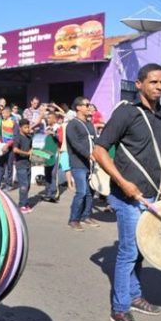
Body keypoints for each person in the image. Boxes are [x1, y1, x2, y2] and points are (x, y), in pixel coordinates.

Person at [93, 63, 161, 321]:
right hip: (126, 196)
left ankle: (135, 296)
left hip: (150, 195)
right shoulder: (126, 112)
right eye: (153, 82)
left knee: (142, 249)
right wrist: (123, 182)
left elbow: (156, 156)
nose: (159, 87)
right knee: (128, 252)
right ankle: (120, 309)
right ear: (139, 84)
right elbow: (99, 151)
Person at [66, 96, 99, 231]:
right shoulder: (72, 124)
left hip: (90, 164)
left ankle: (86, 216)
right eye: (86, 105)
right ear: (78, 107)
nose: (89, 107)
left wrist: (97, 155)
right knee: (81, 192)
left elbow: (94, 142)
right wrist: (89, 155)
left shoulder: (89, 124)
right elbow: (75, 144)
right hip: (78, 164)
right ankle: (73, 219)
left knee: (90, 192)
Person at [0, 106, 18, 190]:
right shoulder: (2, 122)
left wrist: (8, 145)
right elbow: (0, 135)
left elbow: (15, 137)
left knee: (9, 166)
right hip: (2, 147)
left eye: (4, 113)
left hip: (10, 148)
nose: (3, 114)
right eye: (2, 113)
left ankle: (9, 184)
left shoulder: (13, 122)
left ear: (9, 113)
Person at [13, 118, 33, 214]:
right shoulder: (17, 137)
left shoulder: (29, 137)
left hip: (28, 164)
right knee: (23, 185)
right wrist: (27, 153)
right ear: (20, 128)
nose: (27, 129)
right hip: (20, 165)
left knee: (28, 185)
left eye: (28, 127)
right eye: (25, 127)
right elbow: (15, 150)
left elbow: (31, 149)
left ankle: (25, 203)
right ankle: (21, 205)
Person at [42, 112, 61, 202]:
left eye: (49, 118)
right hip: (46, 153)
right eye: (47, 118)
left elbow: (60, 138)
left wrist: (54, 133)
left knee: (53, 174)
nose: (48, 119)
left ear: (54, 119)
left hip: (55, 153)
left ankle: (54, 194)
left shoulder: (58, 127)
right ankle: (48, 193)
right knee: (47, 173)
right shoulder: (46, 128)